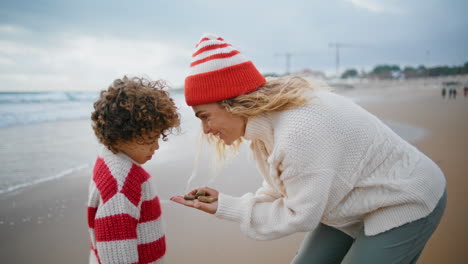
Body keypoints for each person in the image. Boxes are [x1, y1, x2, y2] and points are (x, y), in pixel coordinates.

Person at [170, 33, 447, 264]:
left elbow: (298, 214)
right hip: (349, 200)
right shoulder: (264, 128)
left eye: (204, 116)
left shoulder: (298, 132)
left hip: (403, 197)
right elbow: (281, 189)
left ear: (232, 102)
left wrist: (230, 208)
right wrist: (224, 204)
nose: (205, 130)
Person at [89, 76, 180, 264]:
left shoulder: (109, 158)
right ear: (124, 134)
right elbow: (117, 256)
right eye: (151, 139)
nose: (156, 147)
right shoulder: (120, 184)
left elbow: (132, 211)